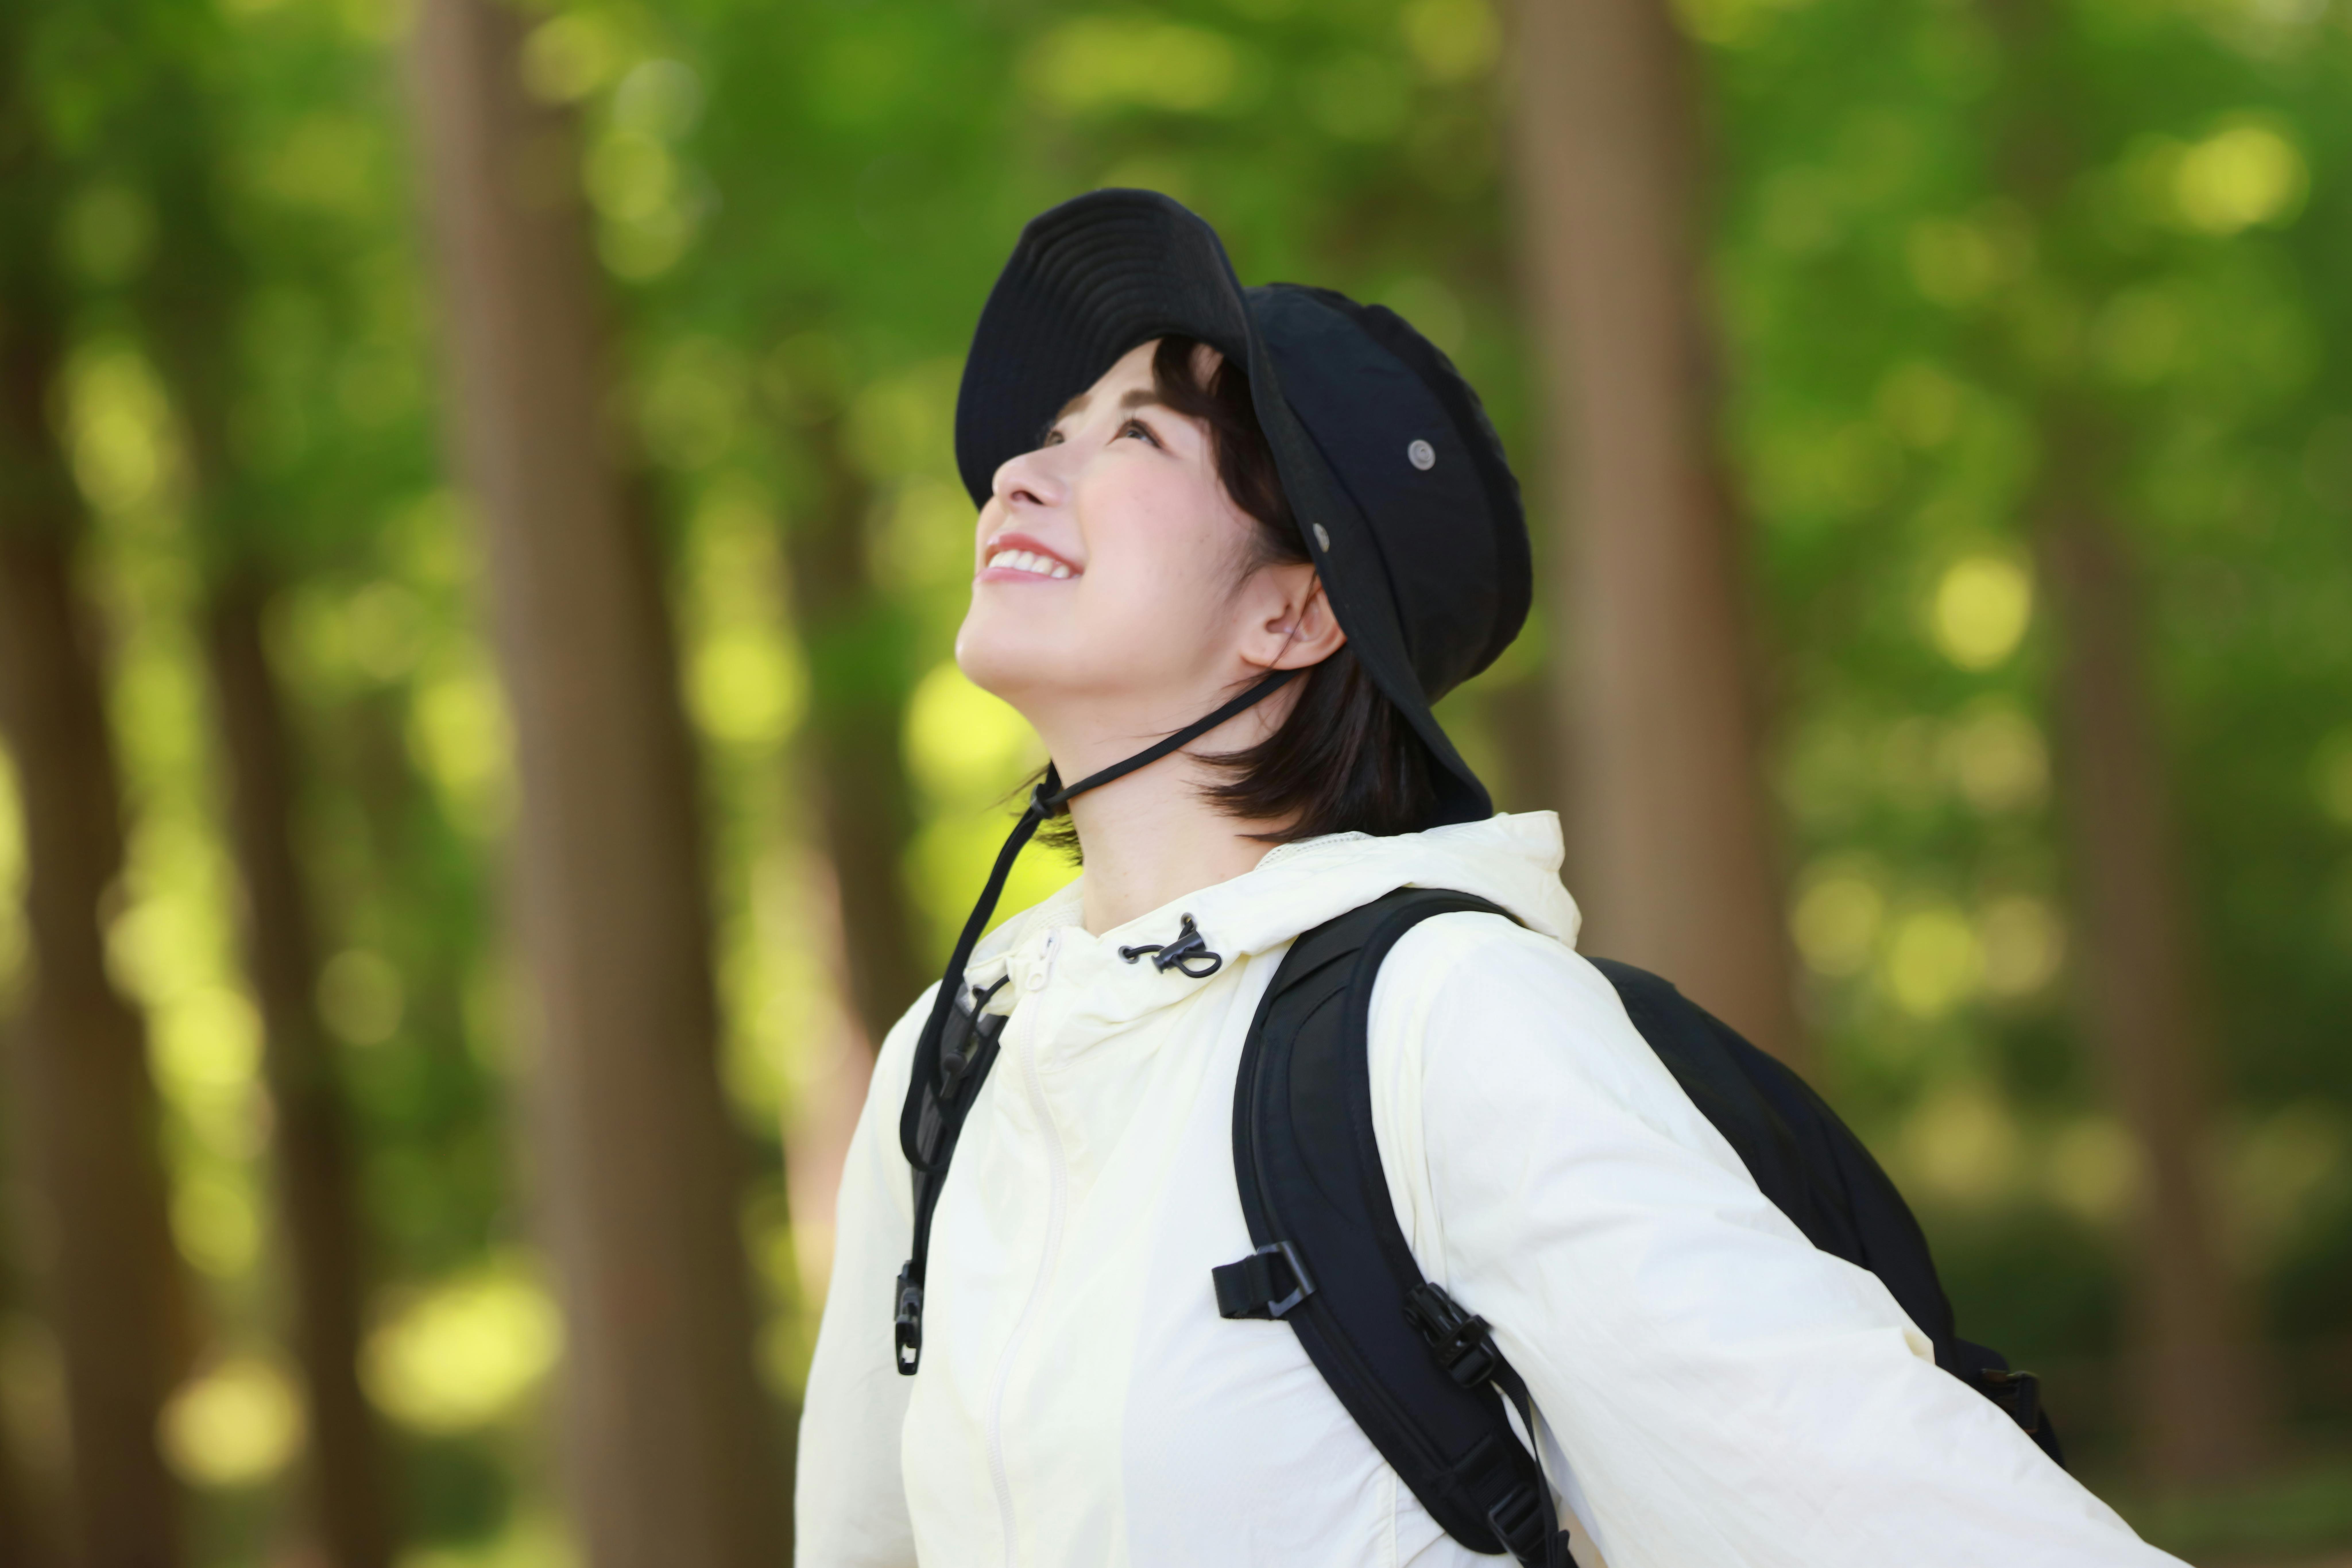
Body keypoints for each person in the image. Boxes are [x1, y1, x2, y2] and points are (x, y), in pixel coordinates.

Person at [795, 189, 2179, 1568]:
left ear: (1295, 610)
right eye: (1049, 435)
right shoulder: (957, 1051)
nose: (1019, 476)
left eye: (1136, 434)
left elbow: (1885, 1504)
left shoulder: (1448, 1022)